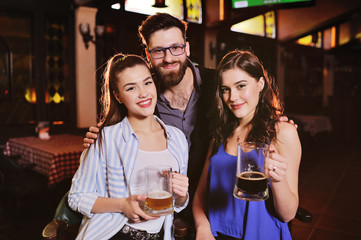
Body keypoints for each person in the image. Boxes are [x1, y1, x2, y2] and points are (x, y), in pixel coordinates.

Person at [82, 13, 297, 237]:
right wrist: (98, 135)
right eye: (158, 51)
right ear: (148, 54)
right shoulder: (144, 96)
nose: (168, 58)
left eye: (175, 47)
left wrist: (278, 123)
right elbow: (117, 129)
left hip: (217, 204)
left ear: (187, 48)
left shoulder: (220, 84)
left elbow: (252, 109)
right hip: (167, 211)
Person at [68, 53, 189, 240]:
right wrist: (123, 204)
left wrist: (181, 195)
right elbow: (76, 197)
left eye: (147, 83)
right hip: (114, 233)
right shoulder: (107, 138)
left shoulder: (177, 139)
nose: (143, 93)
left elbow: (177, 204)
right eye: (131, 88)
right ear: (118, 96)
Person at [192, 50, 301, 240]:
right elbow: (200, 196)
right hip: (216, 234)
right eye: (226, 89)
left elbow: (288, 214)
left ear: (260, 84)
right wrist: (202, 228)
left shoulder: (283, 132)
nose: (232, 97)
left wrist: (278, 180)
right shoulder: (220, 133)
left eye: (241, 86)